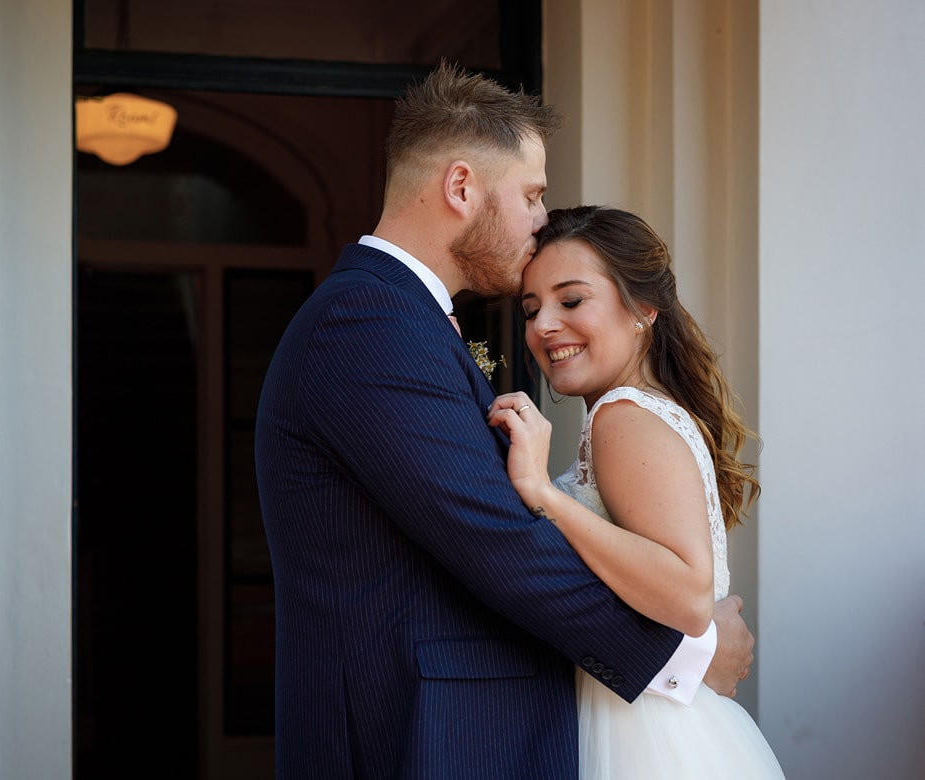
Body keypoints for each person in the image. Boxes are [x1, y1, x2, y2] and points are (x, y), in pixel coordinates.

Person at [254, 61, 755, 780]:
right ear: (462, 187)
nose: (541, 220)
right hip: (410, 736)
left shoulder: (399, 318)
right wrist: (690, 652)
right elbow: (493, 537)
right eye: (531, 195)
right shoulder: (368, 323)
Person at [490, 204, 784, 777]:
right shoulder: (632, 413)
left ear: (643, 310)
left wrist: (542, 495)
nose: (544, 325)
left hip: (643, 734)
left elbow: (687, 593)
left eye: (571, 301)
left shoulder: (621, 417)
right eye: (531, 309)